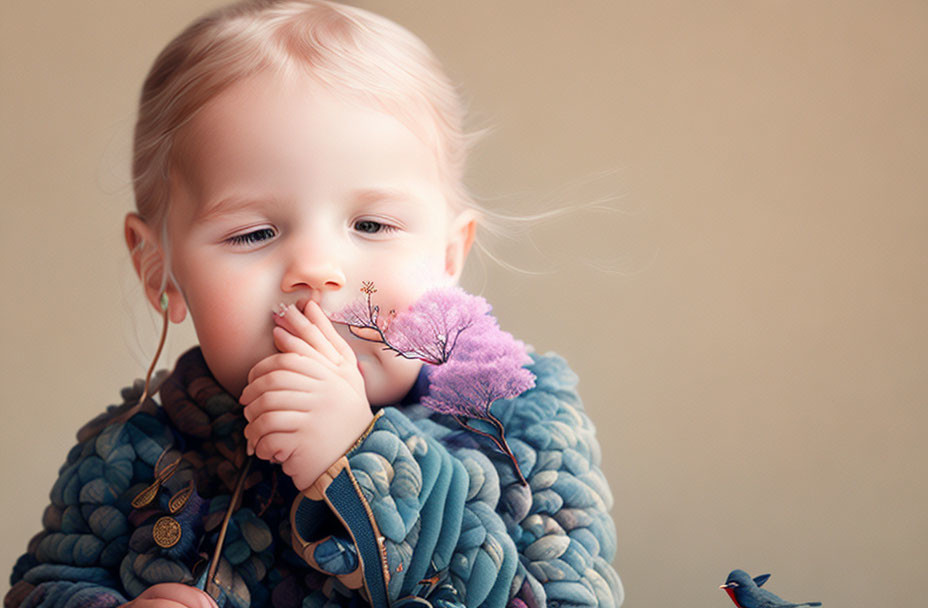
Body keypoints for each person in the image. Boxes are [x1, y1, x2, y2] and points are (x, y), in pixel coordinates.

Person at [5, 1, 623, 607]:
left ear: (447, 257)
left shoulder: (518, 421)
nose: (316, 271)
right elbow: (41, 587)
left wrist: (355, 461)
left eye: (373, 225)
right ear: (157, 268)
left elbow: (554, 594)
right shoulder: (131, 452)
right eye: (253, 233)